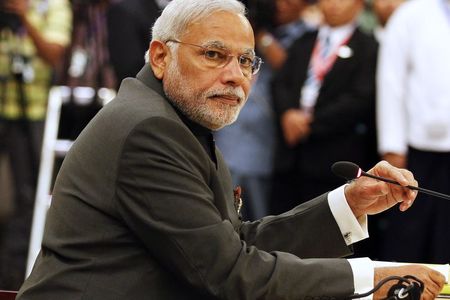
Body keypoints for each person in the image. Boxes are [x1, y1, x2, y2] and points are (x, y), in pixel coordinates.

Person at [18, 0, 445, 299]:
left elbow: (230, 245)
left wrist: (349, 204)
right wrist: (375, 278)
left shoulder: (173, 117)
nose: (235, 76)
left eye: (245, 61)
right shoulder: (150, 130)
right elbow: (230, 273)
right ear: (160, 56)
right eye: (214, 55)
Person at [270, 0, 379, 215]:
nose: (333, 5)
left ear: (359, 5)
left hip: (334, 157)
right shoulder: (303, 42)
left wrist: (310, 123)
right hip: (291, 157)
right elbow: (280, 83)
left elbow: (360, 98)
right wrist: (288, 114)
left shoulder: (368, 47)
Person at [215, 0, 313, 220]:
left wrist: (260, 36)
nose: (280, 5)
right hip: (228, 136)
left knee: (260, 219)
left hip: (266, 142)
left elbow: (293, 69)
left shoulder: (308, 35)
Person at [0, 0, 72, 290]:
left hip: (35, 113)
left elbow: (53, 54)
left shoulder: (53, 5)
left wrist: (23, 17)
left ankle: (14, 276)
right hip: (4, 105)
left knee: (28, 198)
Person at [376, 0, 450, 264]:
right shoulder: (412, 14)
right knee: (409, 236)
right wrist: (392, 146)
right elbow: (391, 81)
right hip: (417, 150)